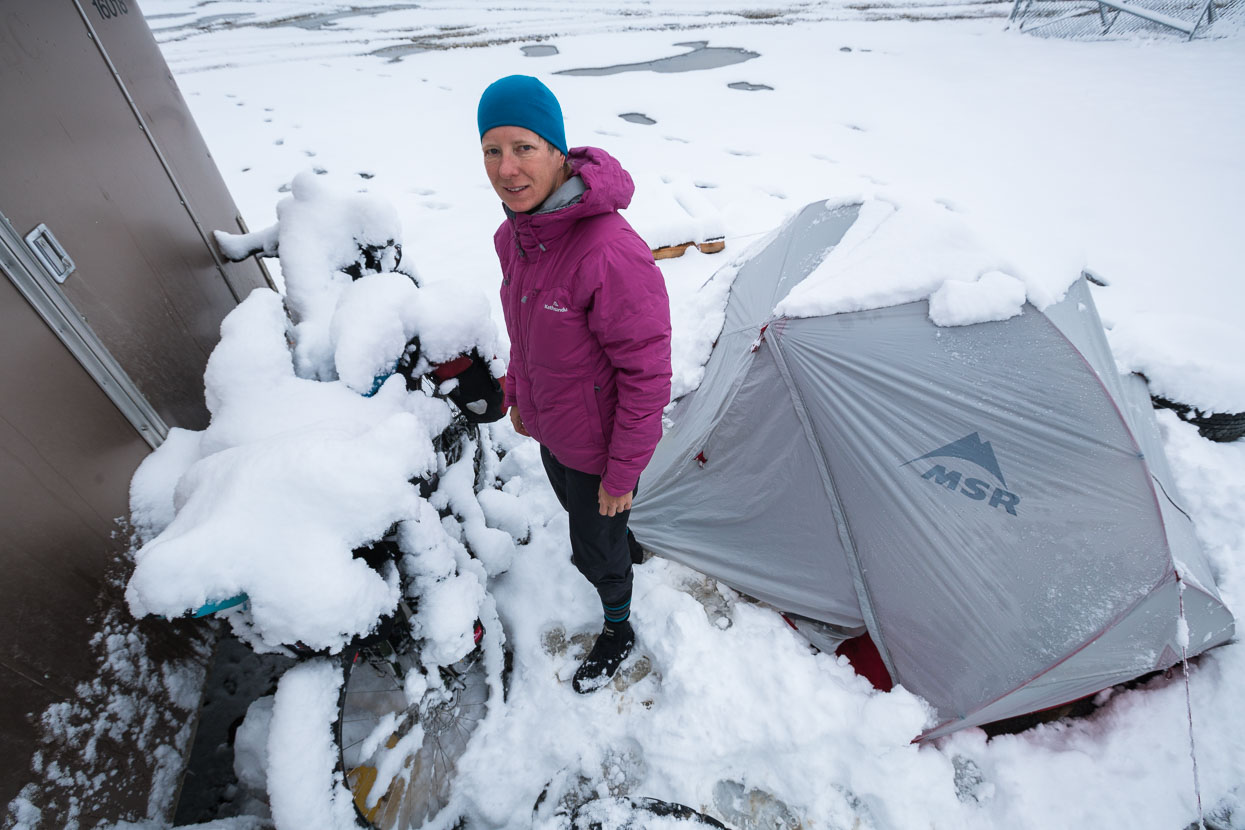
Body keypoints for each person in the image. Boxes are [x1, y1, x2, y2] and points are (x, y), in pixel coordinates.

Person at [478, 75, 672, 693]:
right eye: (492, 150)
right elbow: (531, 330)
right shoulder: (518, 236)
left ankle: (619, 626)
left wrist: (620, 475)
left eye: (524, 147)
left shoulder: (609, 252)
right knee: (581, 514)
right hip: (556, 427)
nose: (507, 169)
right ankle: (620, 537)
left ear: (558, 150)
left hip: (602, 445)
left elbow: (646, 375)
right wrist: (519, 391)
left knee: (596, 548)